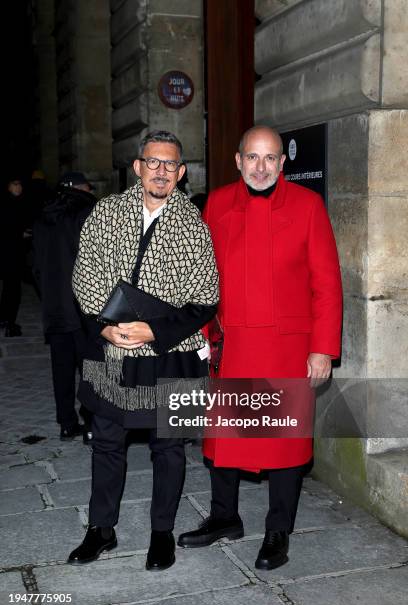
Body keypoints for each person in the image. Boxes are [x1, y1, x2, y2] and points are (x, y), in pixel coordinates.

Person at [178, 125, 343, 570]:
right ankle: (224, 517)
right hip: (230, 345)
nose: (261, 166)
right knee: (224, 440)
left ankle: (277, 531)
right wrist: (198, 330)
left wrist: (323, 349)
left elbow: (326, 285)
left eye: (270, 158)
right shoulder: (215, 204)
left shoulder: (308, 206)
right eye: (253, 157)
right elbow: (202, 276)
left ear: (282, 163)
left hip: (286, 348)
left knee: (285, 444)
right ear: (238, 161)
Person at [68, 131, 218, 570]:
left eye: (170, 165)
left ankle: (162, 533)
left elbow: (205, 298)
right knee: (107, 442)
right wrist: (105, 324)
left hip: (172, 352)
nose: (161, 172)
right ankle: (101, 529)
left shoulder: (194, 225)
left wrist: (153, 329)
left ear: (181, 173)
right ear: (137, 167)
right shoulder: (106, 212)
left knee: (168, 446)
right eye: (153, 162)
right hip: (111, 351)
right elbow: (85, 272)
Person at [33, 171, 96, 442]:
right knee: (91, 367)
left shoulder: (42, 217)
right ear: (82, 188)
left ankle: (66, 423)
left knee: (61, 367)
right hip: (84, 307)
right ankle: (92, 423)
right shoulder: (88, 211)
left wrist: (47, 294)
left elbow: (34, 266)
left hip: (55, 306)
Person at [0, 176, 28, 337]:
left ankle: (4, 318)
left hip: (10, 252)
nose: (19, 187)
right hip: (10, 253)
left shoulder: (14, 202)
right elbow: (7, 228)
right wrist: (20, 234)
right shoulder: (9, 204)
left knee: (9, 289)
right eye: (15, 184)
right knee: (13, 290)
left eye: (20, 184)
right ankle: (10, 323)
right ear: (8, 186)